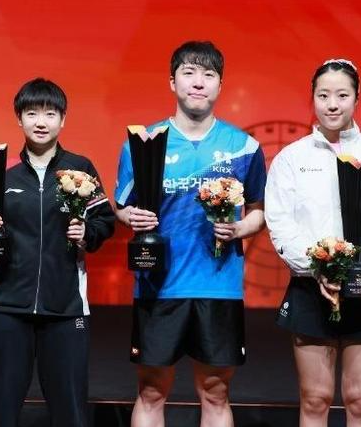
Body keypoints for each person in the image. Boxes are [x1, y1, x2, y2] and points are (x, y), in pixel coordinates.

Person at [114, 41, 267, 427]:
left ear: (220, 85)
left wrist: (238, 228)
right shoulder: (142, 143)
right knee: (151, 391)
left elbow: (259, 211)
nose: (198, 82)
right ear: (172, 82)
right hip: (158, 286)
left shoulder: (243, 147)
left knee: (215, 392)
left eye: (208, 75)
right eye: (189, 73)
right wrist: (130, 216)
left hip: (219, 286)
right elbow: (121, 206)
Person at [265, 59, 361, 427]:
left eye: (342, 95)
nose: (332, 104)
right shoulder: (292, 158)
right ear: (313, 98)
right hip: (311, 288)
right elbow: (280, 224)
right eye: (323, 95)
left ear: (357, 98)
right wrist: (317, 266)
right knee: (315, 399)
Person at [0, 78, 115, 427]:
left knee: (71, 413)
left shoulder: (80, 168)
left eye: (50, 113)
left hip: (66, 308)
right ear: (19, 118)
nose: (41, 122)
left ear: (63, 119)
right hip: (8, 306)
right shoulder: (1, 170)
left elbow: (104, 221)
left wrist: (87, 233)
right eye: (32, 113)